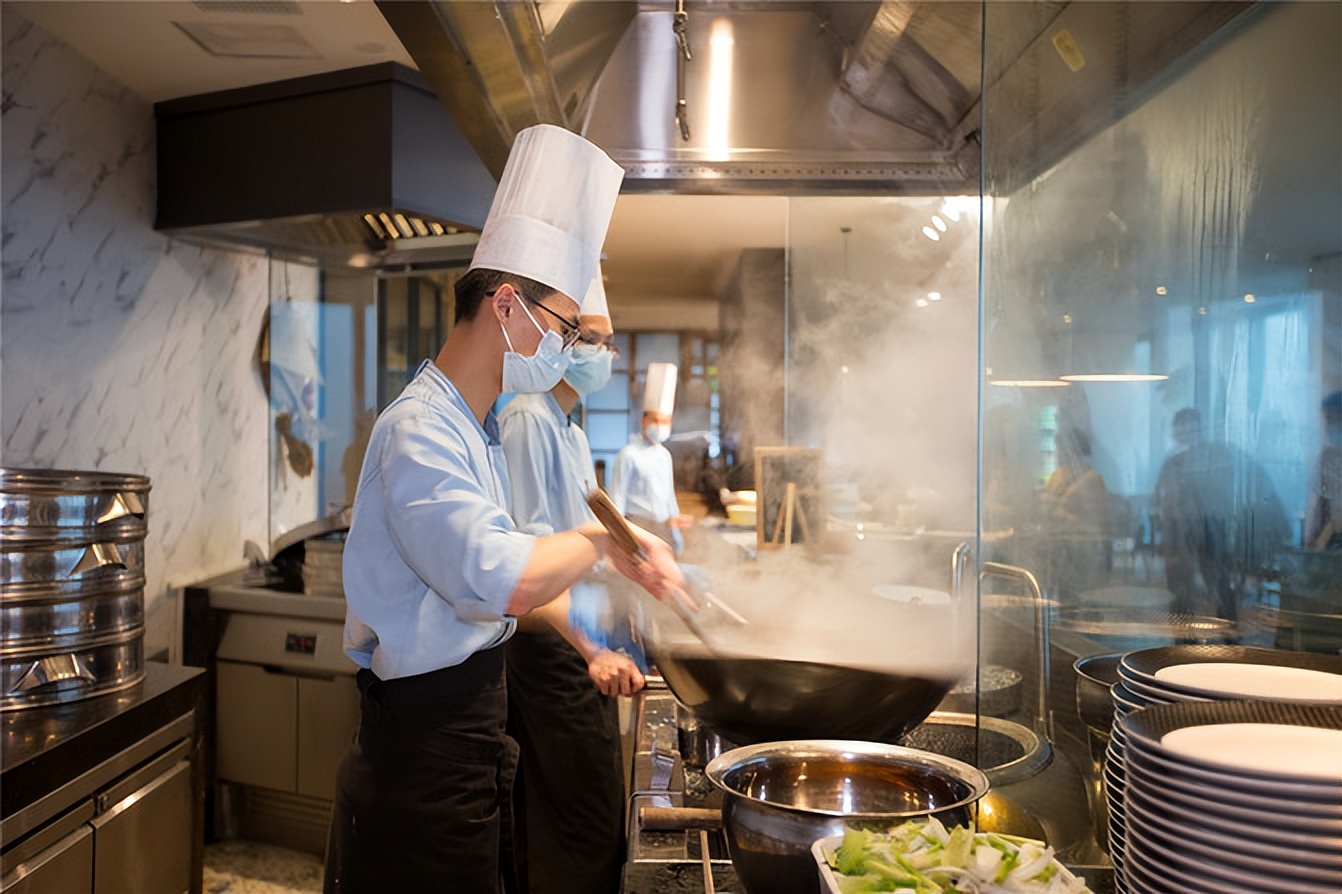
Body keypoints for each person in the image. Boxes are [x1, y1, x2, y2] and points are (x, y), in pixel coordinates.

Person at [323, 124, 688, 894]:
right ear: (508, 306)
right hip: (418, 754)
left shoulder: (477, 427)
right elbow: (504, 579)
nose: (565, 349)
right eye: (562, 330)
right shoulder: (421, 430)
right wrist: (602, 539)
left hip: (467, 737)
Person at [497, 273, 643, 894]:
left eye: (609, 343)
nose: (602, 355)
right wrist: (595, 650)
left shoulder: (573, 432)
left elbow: (589, 541)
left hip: (583, 640)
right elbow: (531, 562)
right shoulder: (527, 418)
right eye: (589, 338)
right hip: (553, 647)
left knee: (591, 810)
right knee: (577, 821)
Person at [1152, 407, 1289, 623]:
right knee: (1182, 583)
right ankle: (1185, 633)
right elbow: (1162, 498)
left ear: (1200, 429)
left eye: (1192, 429)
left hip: (1209, 525)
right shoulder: (1174, 462)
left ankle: (1227, 630)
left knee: (1215, 579)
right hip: (1181, 529)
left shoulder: (1218, 454)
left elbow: (1227, 491)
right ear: (1176, 433)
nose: (1188, 435)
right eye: (1183, 430)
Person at [609, 362, 691, 553]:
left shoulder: (664, 455)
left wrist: (677, 536)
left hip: (664, 529)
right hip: (638, 527)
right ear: (643, 420)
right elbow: (617, 498)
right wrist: (618, 541)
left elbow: (669, 496)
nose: (660, 425)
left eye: (665, 421)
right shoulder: (628, 454)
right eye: (655, 419)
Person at [1042, 427, 1111, 599]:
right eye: (1058, 447)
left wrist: (1059, 510)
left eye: (1063, 448)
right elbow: (1046, 507)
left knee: (1086, 597)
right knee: (1064, 595)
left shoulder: (1092, 478)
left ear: (1076, 449)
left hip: (1084, 549)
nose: (1059, 452)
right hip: (1059, 548)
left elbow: (1099, 521)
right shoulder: (1056, 476)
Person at [1304, 390, 1342, 550]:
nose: (1327, 426)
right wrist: (1311, 542)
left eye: (1331, 419)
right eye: (1325, 419)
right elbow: (1320, 505)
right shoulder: (1327, 457)